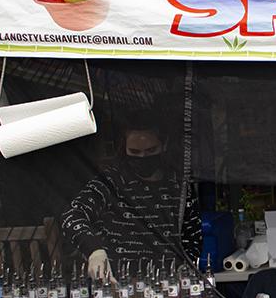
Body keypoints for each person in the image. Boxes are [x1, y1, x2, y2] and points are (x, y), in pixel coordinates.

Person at [61, 113, 201, 280]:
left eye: (150, 150)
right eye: (134, 152)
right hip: (120, 284)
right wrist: (94, 251)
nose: (142, 158)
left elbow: (193, 236)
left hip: (170, 284)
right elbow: (72, 215)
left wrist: (186, 267)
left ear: (164, 144)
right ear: (124, 149)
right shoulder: (111, 182)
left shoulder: (178, 185)